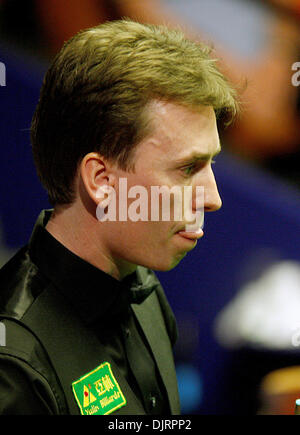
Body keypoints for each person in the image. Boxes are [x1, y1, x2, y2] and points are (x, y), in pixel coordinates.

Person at [0, 19, 238, 415]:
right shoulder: (14, 364)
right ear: (101, 180)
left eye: (210, 163)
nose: (212, 199)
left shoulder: (143, 288)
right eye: (187, 169)